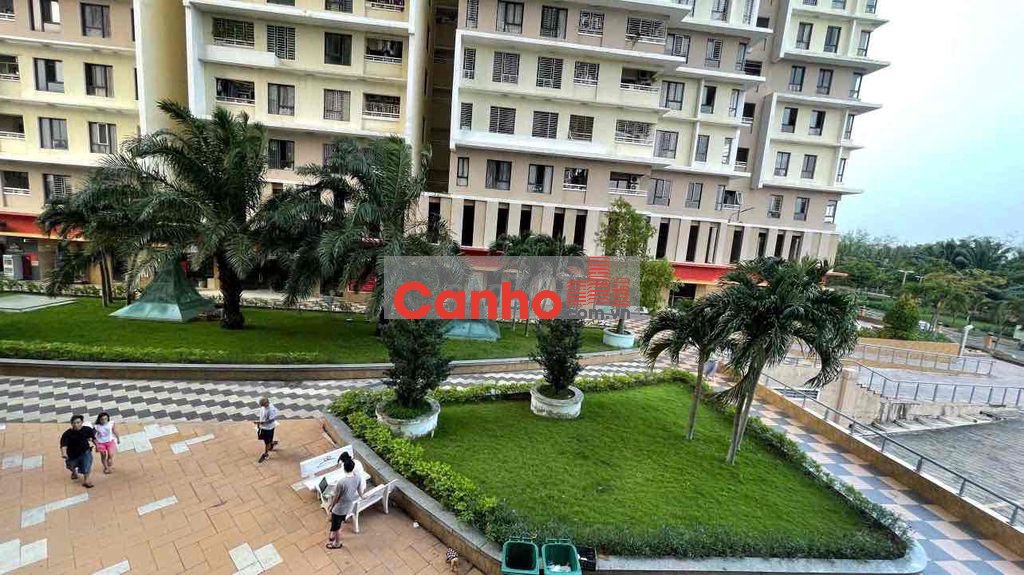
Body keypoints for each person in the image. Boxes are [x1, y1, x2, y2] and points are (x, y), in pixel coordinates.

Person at [326, 458, 362, 549]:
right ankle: (332, 534)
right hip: (348, 505)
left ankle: (337, 543)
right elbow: (359, 490)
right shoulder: (358, 477)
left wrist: (331, 507)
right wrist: (362, 496)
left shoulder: (341, 482)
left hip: (339, 508)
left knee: (337, 526)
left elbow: (336, 497)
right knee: (339, 522)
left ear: (344, 468)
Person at [60, 415, 97, 488]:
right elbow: (63, 445)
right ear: (71, 423)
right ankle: (74, 472)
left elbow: (93, 438)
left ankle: (86, 480)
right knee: (70, 466)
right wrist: (64, 453)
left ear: (82, 422)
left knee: (87, 465)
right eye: (74, 423)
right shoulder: (67, 434)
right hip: (72, 454)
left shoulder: (87, 429)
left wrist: (98, 446)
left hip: (85, 451)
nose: (76, 425)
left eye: (78, 422)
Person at [255, 397, 279, 463]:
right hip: (263, 426)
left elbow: (271, 420)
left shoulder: (271, 409)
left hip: (268, 428)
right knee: (265, 439)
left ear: (266, 403)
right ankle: (271, 444)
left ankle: (266, 454)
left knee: (267, 442)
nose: (261, 406)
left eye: (262, 405)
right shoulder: (263, 407)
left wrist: (261, 423)